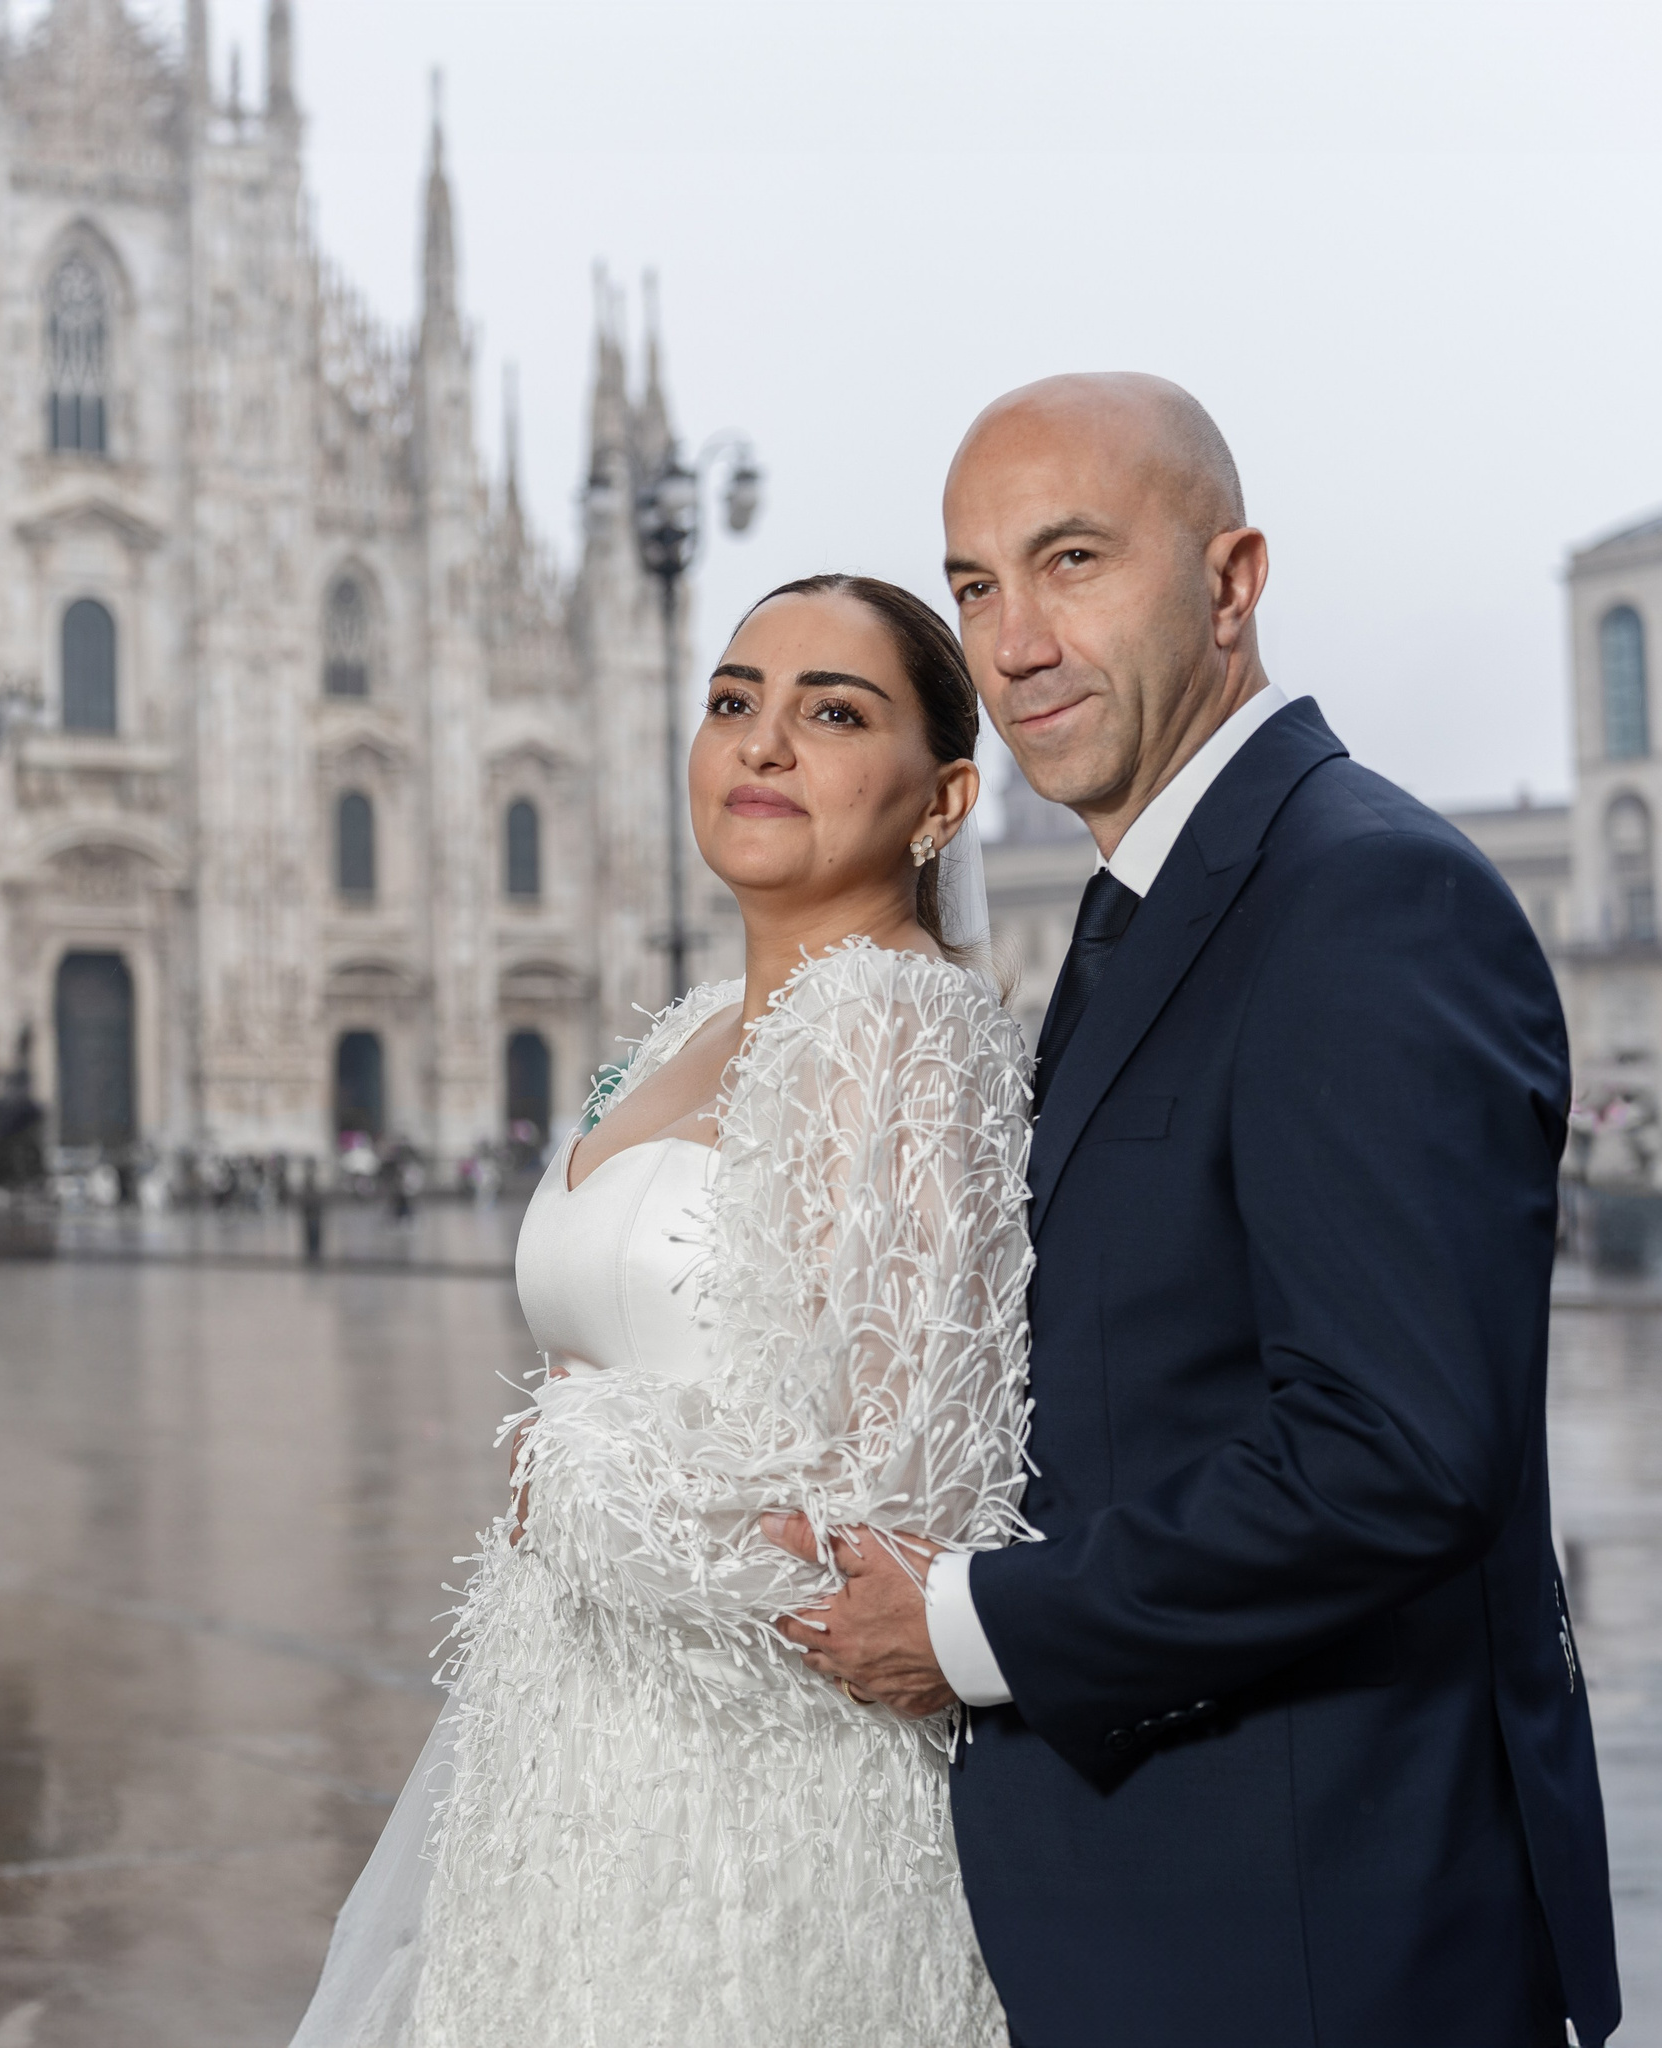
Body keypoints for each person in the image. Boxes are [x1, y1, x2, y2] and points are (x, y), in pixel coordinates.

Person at [783, 374, 1619, 2046]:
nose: (1011, 644)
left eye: (1072, 560)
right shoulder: (1152, 906)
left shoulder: (1363, 898)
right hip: (1176, 1919)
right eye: (973, 586)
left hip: (1318, 1941)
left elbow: (1390, 1454)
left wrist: (961, 1625)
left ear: (1231, 584)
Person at [291, 576, 1033, 2047]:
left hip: (759, 1825)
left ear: (942, 799)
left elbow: (891, 1524)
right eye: (731, 701)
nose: (761, 744)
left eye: (833, 712)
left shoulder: (894, 1025)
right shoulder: (694, 1023)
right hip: (564, 1779)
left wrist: (570, 1460)